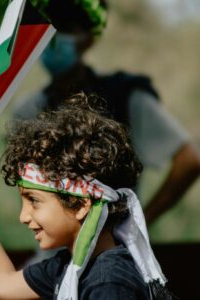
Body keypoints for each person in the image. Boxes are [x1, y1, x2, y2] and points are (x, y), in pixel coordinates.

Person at [0, 93, 175, 299]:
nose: (23, 216)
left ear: (81, 204)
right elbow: (0, 286)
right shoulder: (69, 268)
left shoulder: (109, 282)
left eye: (34, 201)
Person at [14, 0, 200, 226]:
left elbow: (189, 160)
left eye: (65, 28)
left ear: (89, 38)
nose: (53, 39)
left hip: (110, 246)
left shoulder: (125, 98)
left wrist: (139, 223)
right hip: (55, 255)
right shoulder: (29, 111)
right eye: (48, 28)